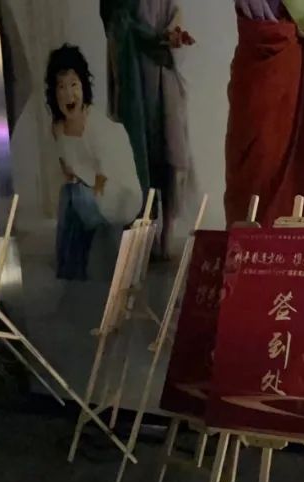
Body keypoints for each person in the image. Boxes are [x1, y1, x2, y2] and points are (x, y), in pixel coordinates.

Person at [100, 0, 195, 258]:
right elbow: (111, 25)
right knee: (140, 161)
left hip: (163, 76)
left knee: (170, 154)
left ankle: (167, 232)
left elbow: (176, 21)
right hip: (134, 80)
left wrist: (169, 38)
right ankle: (145, 230)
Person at [225, 0, 304, 228]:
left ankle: (246, 236)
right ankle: (274, 238)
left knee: (251, 158)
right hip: (280, 55)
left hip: (250, 53)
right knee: (274, 156)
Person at [45, 44, 140, 281]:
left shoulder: (97, 126)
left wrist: (82, 182)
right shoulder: (58, 129)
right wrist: (78, 181)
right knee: (70, 195)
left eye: (74, 85)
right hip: (88, 193)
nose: (69, 94)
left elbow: (107, 178)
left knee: (72, 194)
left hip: (118, 195)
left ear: (84, 86)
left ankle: (69, 271)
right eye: (61, 87)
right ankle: (70, 270)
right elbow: (67, 170)